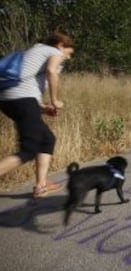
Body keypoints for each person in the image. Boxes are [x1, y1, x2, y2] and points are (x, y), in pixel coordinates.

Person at [0, 31, 74, 198]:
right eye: (69, 52)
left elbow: (26, 86)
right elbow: (51, 72)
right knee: (28, 150)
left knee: (47, 139)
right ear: (61, 45)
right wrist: (55, 100)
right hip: (21, 100)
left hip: (9, 101)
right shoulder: (54, 52)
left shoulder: (35, 51)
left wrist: (42, 107)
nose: (69, 57)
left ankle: (41, 186)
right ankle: (40, 186)